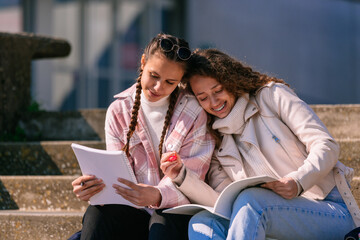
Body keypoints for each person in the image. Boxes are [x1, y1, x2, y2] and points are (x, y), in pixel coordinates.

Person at [160, 48, 357, 239]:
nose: (213, 102)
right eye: (203, 98)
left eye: (218, 90)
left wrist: (298, 181)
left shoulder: (272, 96)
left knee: (252, 201)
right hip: (267, 217)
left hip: (329, 209)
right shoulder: (216, 139)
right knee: (203, 222)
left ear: (231, 80)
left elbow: (326, 145)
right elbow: (221, 204)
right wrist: (181, 176)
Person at [71, 34, 215, 240]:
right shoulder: (119, 111)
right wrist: (94, 190)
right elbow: (116, 176)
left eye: (170, 82)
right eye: (154, 75)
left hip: (175, 214)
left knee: (162, 220)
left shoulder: (194, 112)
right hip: (135, 214)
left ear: (180, 81)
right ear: (143, 62)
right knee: (97, 213)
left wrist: (157, 194)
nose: (158, 87)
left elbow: (193, 180)